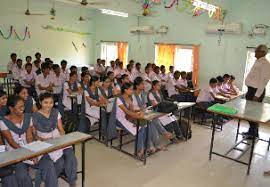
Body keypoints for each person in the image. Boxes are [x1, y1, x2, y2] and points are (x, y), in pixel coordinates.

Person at [0, 95, 58, 187]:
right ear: (11, 108)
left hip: (30, 150)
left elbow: (29, 138)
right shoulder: (3, 122)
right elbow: (12, 143)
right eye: (19, 107)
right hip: (15, 154)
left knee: (49, 164)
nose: (23, 108)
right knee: (22, 175)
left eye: (23, 106)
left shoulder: (27, 117)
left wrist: (33, 154)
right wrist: (26, 156)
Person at [32, 93, 77, 187]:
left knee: (70, 154)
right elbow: (34, 135)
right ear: (40, 102)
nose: (48, 105)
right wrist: (43, 139)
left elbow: (61, 129)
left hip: (57, 137)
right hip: (43, 140)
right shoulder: (35, 116)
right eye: (46, 102)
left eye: (51, 102)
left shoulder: (56, 112)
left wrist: (62, 139)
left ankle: (72, 180)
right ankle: (48, 179)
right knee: (57, 162)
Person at [110, 83, 156, 157]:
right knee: (140, 130)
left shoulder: (129, 97)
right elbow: (127, 112)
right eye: (131, 89)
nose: (132, 91)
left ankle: (147, 147)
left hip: (128, 117)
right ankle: (139, 151)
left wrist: (139, 112)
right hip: (120, 120)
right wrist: (139, 116)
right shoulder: (119, 99)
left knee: (146, 125)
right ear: (125, 90)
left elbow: (131, 111)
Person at [132, 78, 174, 147]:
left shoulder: (143, 93)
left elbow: (144, 105)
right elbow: (132, 108)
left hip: (143, 112)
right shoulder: (133, 94)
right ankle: (159, 138)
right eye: (142, 84)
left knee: (153, 119)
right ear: (137, 86)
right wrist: (142, 109)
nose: (144, 85)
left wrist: (145, 109)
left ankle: (155, 143)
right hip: (136, 114)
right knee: (151, 121)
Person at [244, 44, 270, 139]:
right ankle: (252, 131)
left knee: (253, 114)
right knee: (249, 113)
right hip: (251, 90)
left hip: (256, 92)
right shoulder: (258, 61)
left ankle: (254, 133)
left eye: (257, 51)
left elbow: (264, 81)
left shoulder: (265, 64)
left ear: (263, 52)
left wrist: (257, 95)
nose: (255, 52)